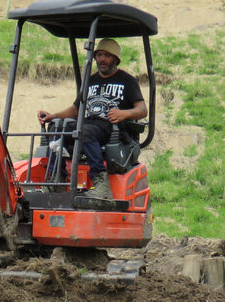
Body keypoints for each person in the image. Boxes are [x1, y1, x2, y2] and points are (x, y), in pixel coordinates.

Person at [36, 38, 147, 201]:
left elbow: (142, 110)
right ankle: (56, 179)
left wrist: (124, 114)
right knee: (56, 128)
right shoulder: (90, 81)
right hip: (89, 123)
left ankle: (101, 183)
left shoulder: (127, 81)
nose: (102, 59)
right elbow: (76, 109)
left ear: (115, 59)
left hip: (111, 127)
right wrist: (54, 116)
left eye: (107, 56)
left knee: (84, 131)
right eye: (99, 55)